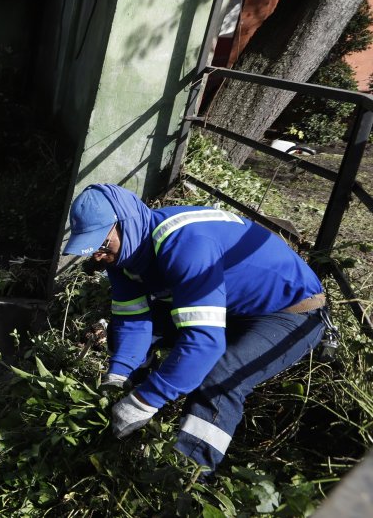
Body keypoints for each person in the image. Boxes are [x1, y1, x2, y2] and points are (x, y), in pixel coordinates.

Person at [64, 183, 330, 473]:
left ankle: (184, 478)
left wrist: (143, 402)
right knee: (123, 330)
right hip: (231, 306)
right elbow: (133, 321)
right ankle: (133, 413)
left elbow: (204, 343)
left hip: (289, 312)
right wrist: (117, 377)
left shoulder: (184, 243)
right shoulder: (125, 257)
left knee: (218, 378)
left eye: (102, 245)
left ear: (124, 223)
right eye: (92, 250)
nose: (98, 257)